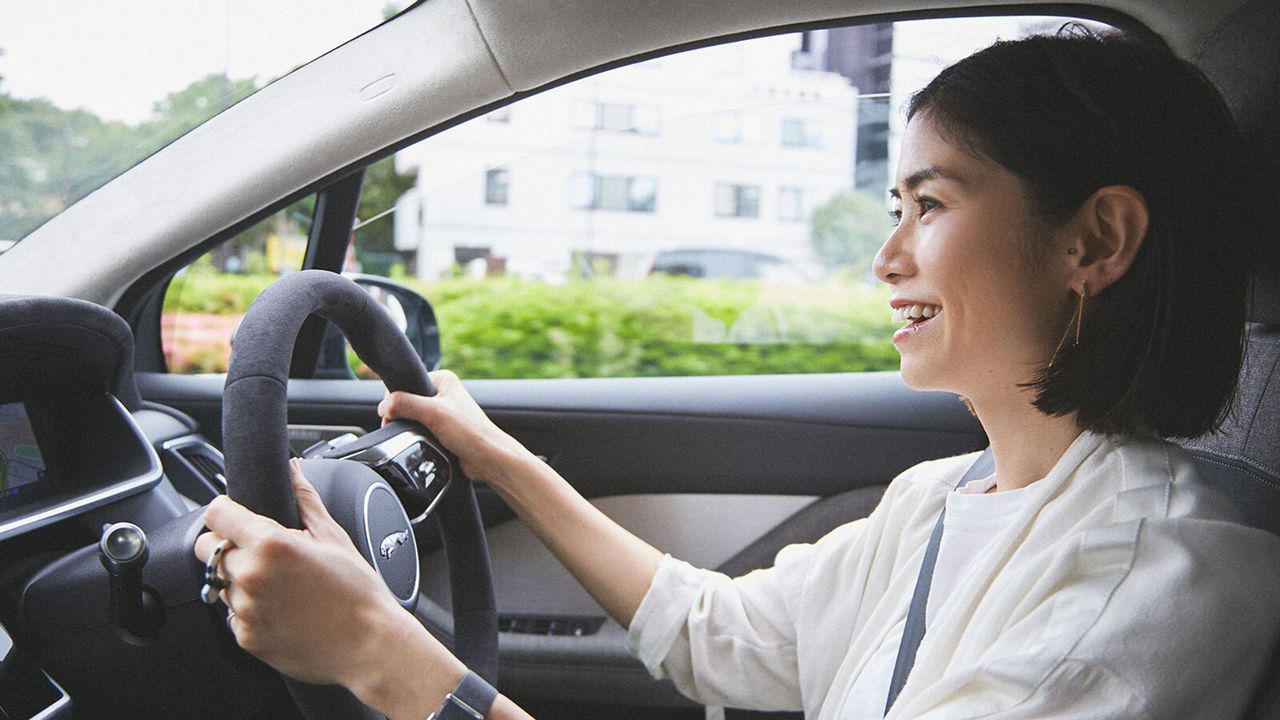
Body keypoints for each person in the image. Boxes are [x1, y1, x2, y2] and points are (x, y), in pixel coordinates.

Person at [195, 29, 1280, 720]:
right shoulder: (942, 500)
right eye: (892, 208)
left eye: (931, 205)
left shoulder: (1139, 597)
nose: (884, 256)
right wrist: (500, 459)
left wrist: (379, 654)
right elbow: (715, 632)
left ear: (1092, 241)